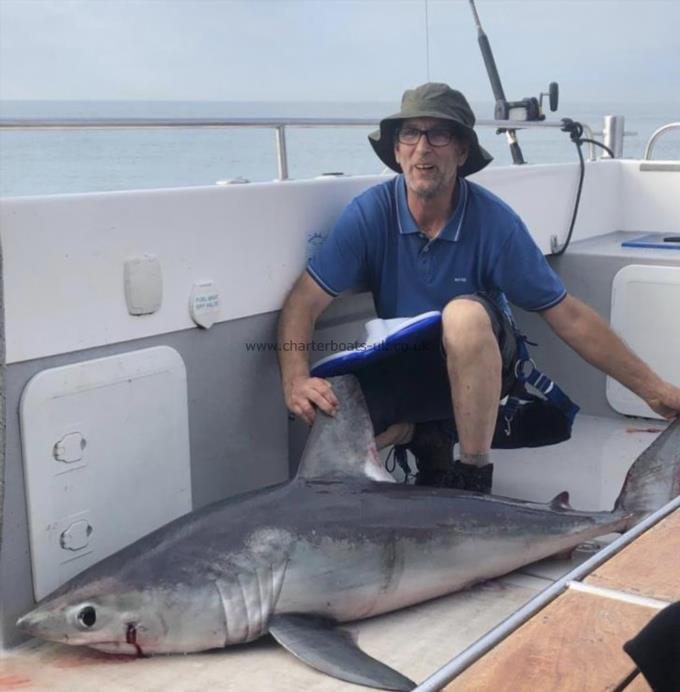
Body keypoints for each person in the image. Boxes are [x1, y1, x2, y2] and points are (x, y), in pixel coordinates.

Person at [277, 82, 680, 492]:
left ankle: (472, 474)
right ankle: (420, 434)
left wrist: (653, 390)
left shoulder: (494, 223)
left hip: (483, 366)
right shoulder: (368, 214)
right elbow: (303, 302)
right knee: (334, 427)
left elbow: (568, 314)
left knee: (464, 316)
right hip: (407, 364)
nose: (423, 148)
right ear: (396, 151)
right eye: (410, 134)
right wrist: (295, 379)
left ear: (462, 151)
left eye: (439, 134)